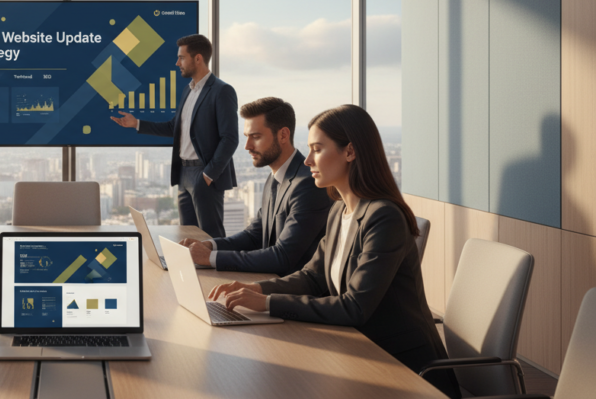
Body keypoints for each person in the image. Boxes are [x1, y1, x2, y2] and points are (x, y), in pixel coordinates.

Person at [208, 105, 460, 398]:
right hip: (358, 351)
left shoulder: (384, 217)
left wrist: (267, 303)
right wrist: (255, 289)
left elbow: (355, 307)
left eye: (317, 149)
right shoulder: (339, 210)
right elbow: (313, 278)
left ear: (350, 152)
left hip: (404, 369)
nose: (307, 159)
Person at [179, 97, 332, 274]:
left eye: (256, 137)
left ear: (283, 135)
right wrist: (209, 246)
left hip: (294, 293)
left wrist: (210, 258)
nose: (247, 146)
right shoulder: (274, 179)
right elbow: (254, 236)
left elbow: (283, 257)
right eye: (246, 137)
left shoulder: (307, 185)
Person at [111, 34, 238, 238]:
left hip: (203, 173)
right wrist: (137, 123)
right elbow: (174, 128)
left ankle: (212, 271)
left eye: (181, 57)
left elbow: (230, 138)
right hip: (183, 173)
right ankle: (190, 271)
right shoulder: (188, 91)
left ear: (198, 58)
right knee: (186, 236)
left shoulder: (222, 91)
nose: (177, 62)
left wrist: (208, 175)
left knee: (210, 237)